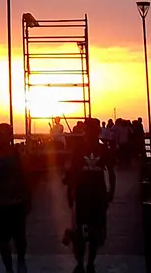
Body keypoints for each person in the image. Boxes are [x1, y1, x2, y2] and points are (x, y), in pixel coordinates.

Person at [63, 117, 115, 273]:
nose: (91, 132)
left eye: (94, 129)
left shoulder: (103, 149)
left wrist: (111, 191)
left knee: (96, 232)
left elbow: (111, 172)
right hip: (82, 194)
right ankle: (80, 262)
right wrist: (70, 193)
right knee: (80, 231)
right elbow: (71, 172)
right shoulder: (78, 149)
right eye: (89, 129)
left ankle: (91, 262)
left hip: (98, 194)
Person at [0, 122, 30, 273]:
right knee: (3, 241)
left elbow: (25, 176)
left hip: (16, 203)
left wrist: (27, 199)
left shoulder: (17, 154)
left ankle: (21, 260)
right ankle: (9, 269)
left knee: (20, 240)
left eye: (1, 134)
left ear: (9, 137)